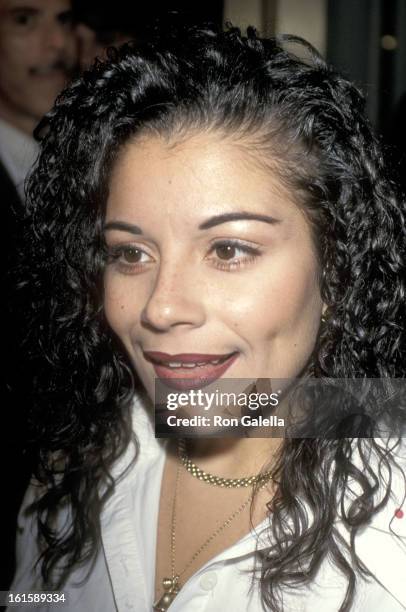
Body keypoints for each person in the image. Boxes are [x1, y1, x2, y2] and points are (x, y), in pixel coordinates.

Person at [9, 27, 406, 612]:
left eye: (228, 250)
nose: (161, 307)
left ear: (337, 267)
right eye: (130, 253)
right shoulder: (75, 464)